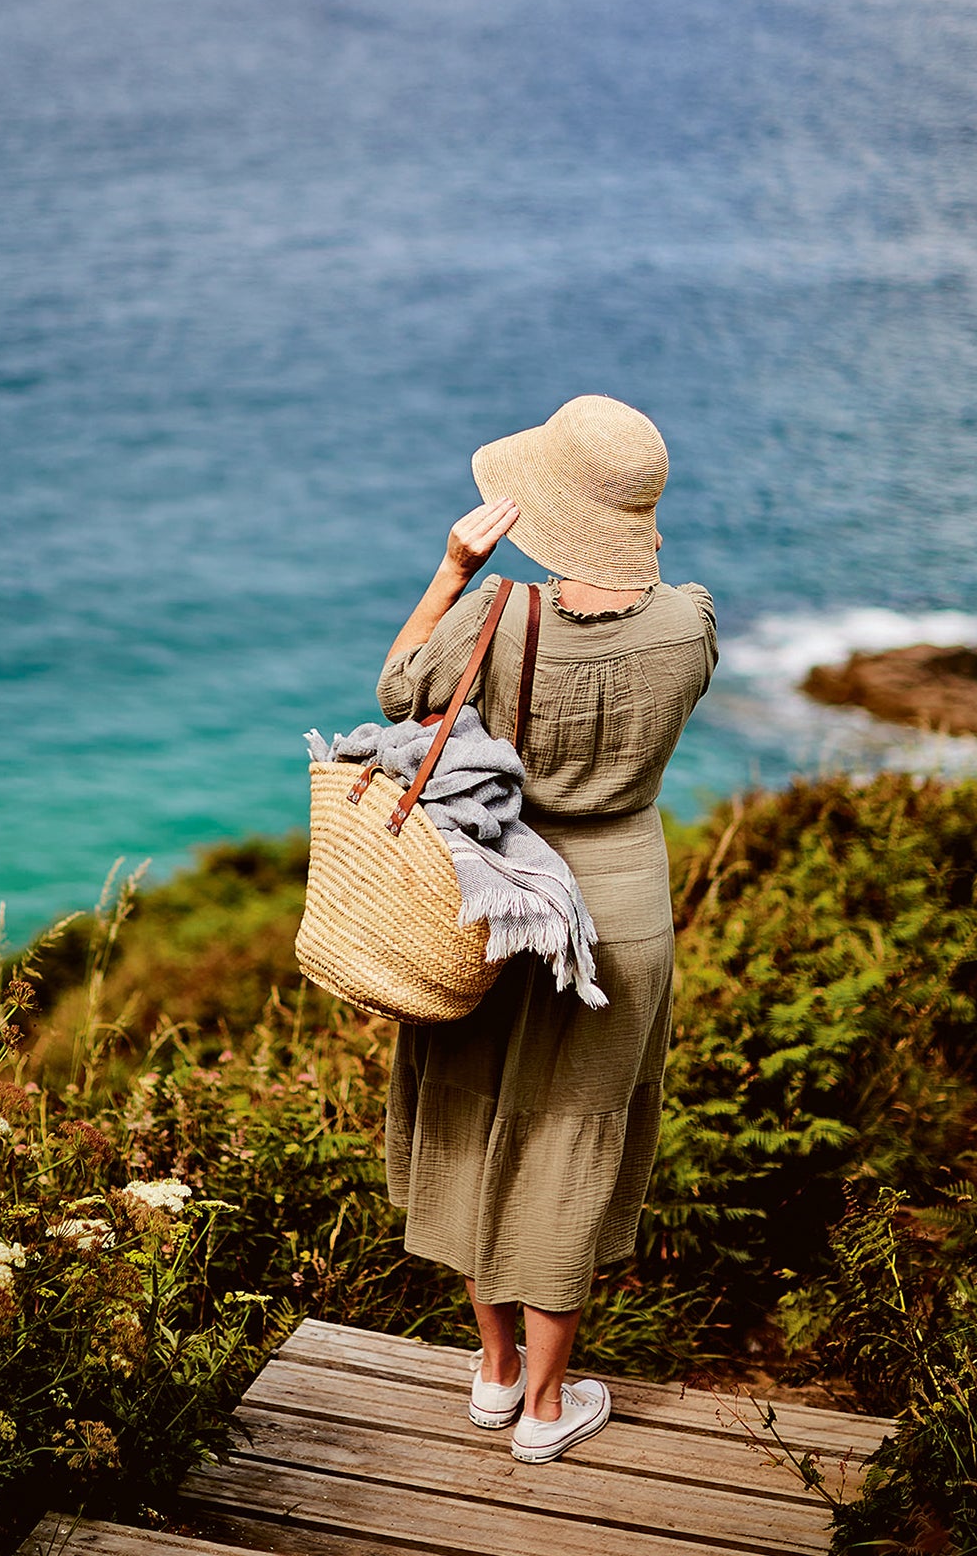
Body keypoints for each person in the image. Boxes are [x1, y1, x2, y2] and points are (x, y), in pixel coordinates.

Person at [376, 394, 716, 1465]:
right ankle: (547, 1405)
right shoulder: (691, 622)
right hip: (621, 912)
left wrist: (451, 572)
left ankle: (492, 1372)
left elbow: (396, 693)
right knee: (573, 1140)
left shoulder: (498, 618)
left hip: (503, 902)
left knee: (484, 1124)